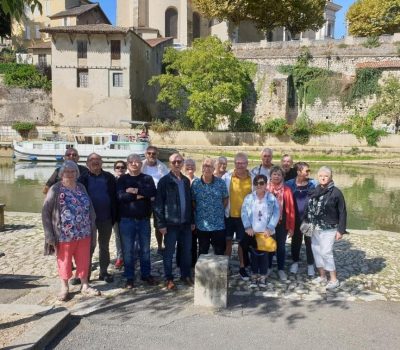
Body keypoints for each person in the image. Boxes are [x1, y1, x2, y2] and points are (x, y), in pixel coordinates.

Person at [42, 160, 100, 301]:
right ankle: (64, 287)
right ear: (62, 174)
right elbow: (45, 212)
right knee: (65, 261)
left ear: (77, 173)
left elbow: (90, 207)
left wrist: (93, 223)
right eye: (67, 171)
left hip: (84, 233)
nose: (70, 174)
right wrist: (49, 233)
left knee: (84, 260)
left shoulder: (81, 187)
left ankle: (84, 285)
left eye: (73, 171)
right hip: (64, 235)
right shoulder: (56, 189)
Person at [154, 153, 194, 290]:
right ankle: (169, 278)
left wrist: (192, 221)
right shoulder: (164, 181)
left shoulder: (186, 181)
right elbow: (158, 204)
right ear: (170, 164)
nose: (177, 164)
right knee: (169, 253)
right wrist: (161, 224)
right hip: (170, 225)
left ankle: (185, 275)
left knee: (186, 252)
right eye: (174, 162)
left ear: (182, 163)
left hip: (186, 224)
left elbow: (189, 202)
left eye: (179, 161)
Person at [116, 154, 157, 289]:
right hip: (127, 221)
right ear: (128, 164)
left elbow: (151, 192)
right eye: (132, 162)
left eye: (137, 162)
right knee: (128, 251)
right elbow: (121, 197)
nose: (134, 164)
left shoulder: (147, 178)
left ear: (141, 164)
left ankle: (146, 274)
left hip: (144, 220)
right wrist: (140, 195)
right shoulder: (122, 179)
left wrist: (134, 191)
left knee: (145, 250)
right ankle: (129, 277)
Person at [303, 166, 347, 290]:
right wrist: (305, 224)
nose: (323, 178)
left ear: (331, 177)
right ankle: (322, 276)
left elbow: (342, 211)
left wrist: (341, 230)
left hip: (329, 228)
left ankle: (334, 279)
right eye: (321, 176)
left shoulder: (336, 192)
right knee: (316, 251)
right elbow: (308, 208)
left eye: (326, 176)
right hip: (314, 226)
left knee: (326, 252)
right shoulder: (315, 189)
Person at [79, 153, 117, 283]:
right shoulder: (82, 178)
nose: (95, 162)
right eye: (92, 160)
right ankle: (85, 274)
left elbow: (115, 196)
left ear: (102, 162)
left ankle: (103, 272)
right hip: (87, 220)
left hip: (106, 218)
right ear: (87, 163)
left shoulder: (109, 177)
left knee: (104, 246)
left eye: (98, 160)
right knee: (88, 248)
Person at [241, 175, 280, 288]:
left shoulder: (271, 198)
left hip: (266, 233)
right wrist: (248, 227)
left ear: (266, 184)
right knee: (254, 255)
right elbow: (243, 212)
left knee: (264, 256)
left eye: (261, 183)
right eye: (256, 183)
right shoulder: (249, 198)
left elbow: (276, 213)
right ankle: (254, 276)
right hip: (253, 233)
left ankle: (263, 276)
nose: (259, 185)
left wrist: (270, 227)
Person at [223, 152, 253, 280]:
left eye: (242, 163)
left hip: (244, 217)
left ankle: (242, 267)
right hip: (229, 215)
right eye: (237, 163)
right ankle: (225, 266)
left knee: (242, 243)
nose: (240, 165)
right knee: (227, 241)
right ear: (234, 163)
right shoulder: (227, 177)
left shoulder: (252, 177)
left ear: (247, 163)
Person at [191, 158, 228, 256]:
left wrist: (218, 210)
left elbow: (225, 198)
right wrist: (201, 211)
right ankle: (201, 271)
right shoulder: (195, 184)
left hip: (218, 224)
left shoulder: (221, 183)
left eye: (209, 166)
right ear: (201, 167)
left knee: (219, 251)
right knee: (203, 251)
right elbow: (193, 201)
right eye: (204, 166)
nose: (206, 168)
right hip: (202, 224)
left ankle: (220, 271)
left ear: (214, 168)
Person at [286, 162, 317, 277]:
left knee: (309, 241)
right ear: (299, 172)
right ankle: (295, 262)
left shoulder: (312, 184)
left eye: (309, 171)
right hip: (295, 219)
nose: (309, 173)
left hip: (308, 219)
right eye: (306, 171)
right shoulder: (289, 184)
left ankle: (310, 264)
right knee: (296, 241)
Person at [266, 166, 295, 281]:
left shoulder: (287, 190)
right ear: (271, 175)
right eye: (274, 174)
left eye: (279, 174)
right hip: (268, 224)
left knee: (281, 247)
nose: (276, 176)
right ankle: (267, 267)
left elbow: (291, 210)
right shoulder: (265, 188)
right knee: (269, 245)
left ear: (282, 176)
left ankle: (281, 269)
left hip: (281, 223)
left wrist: (291, 227)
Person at [141, 146, 169, 254]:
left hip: (158, 199)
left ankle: (159, 246)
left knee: (159, 224)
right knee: (144, 223)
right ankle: (144, 247)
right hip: (143, 199)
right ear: (145, 154)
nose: (151, 155)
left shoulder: (162, 167)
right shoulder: (140, 165)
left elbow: (167, 182)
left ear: (157, 155)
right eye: (149, 153)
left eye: (154, 153)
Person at [113, 160, 127, 269]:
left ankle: (130, 257)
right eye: (118, 167)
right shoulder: (111, 181)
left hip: (128, 212)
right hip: (116, 213)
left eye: (122, 167)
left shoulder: (129, 179)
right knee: (118, 237)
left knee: (130, 237)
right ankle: (120, 257)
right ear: (115, 169)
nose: (120, 169)